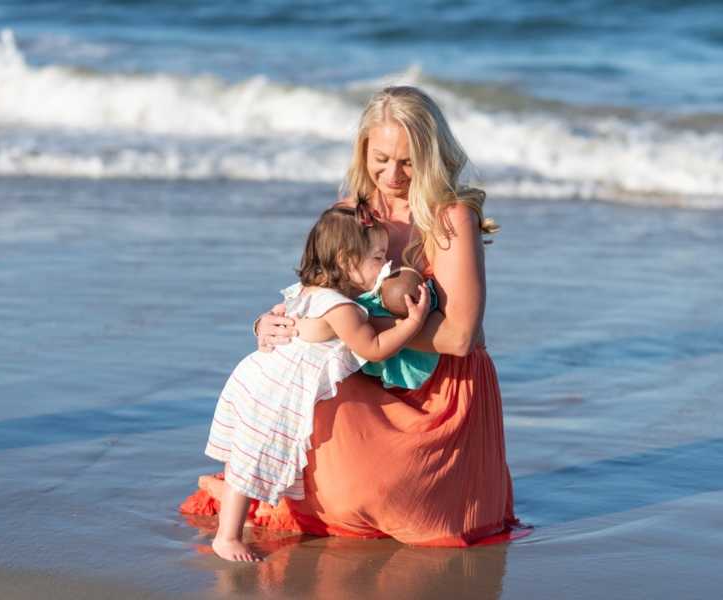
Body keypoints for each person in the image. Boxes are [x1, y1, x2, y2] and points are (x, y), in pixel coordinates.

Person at [182, 85, 521, 547]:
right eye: (381, 158)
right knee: (284, 390)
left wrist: (342, 327)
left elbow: (462, 336)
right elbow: (314, 290)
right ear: (363, 151)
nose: (392, 174)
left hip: (440, 395)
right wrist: (270, 323)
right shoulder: (347, 216)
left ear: (431, 154)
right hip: (363, 371)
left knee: (393, 498)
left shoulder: (450, 217)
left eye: (407, 160)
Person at [205, 200, 430, 561]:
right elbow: (372, 348)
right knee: (252, 457)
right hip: (278, 390)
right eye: (377, 257)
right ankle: (226, 537)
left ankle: (237, 517)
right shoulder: (340, 309)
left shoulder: (306, 292)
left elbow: (279, 314)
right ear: (344, 260)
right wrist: (412, 325)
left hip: (260, 374)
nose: (385, 266)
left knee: (245, 454)